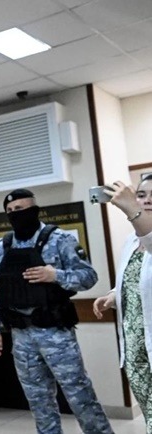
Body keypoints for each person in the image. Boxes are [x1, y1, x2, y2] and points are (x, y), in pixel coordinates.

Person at [0, 188, 113, 434]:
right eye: (10, 211)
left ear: (34, 209)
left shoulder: (60, 239)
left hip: (56, 333)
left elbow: (88, 277)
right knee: (39, 403)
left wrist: (56, 275)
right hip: (22, 336)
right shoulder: (2, 248)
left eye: (20, 209)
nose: (15, 214)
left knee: (80, 397)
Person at [93, 176, 152, 431]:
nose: (147, 200)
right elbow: (134, 282)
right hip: (135, 351)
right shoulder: (131, 241)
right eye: (142, 194)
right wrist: (114, 296)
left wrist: (133, 210)